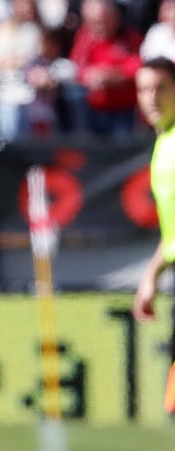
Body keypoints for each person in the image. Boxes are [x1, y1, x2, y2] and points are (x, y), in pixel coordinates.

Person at [132, 57, 175, 415]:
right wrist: (151, 276)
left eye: (160, 87)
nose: (151, 97)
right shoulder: (163, 145)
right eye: (144, 89)